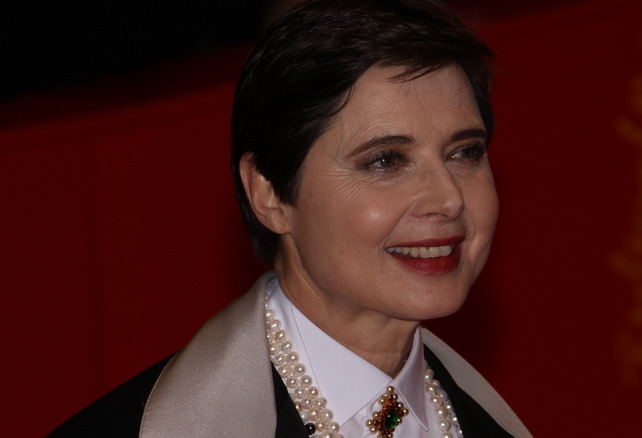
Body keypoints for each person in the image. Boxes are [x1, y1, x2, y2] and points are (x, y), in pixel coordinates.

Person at [49, 0, 532, 436]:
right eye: (385, 160)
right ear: (270, 193)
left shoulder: (486, 423)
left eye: (464, 152)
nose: (448, 198)